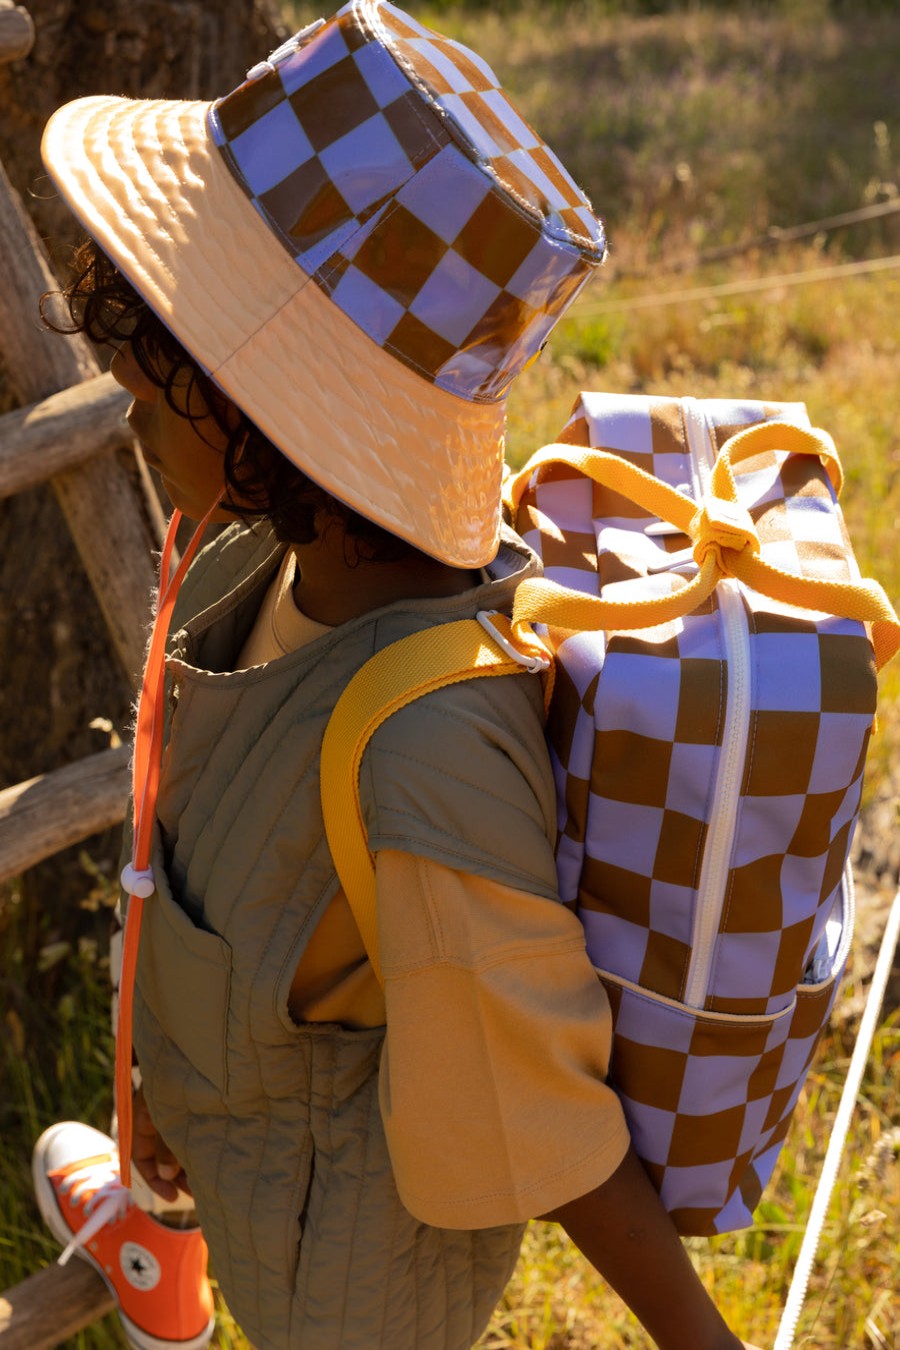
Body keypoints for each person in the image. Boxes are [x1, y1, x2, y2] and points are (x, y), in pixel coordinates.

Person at [31, 4, 763, 1348]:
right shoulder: (259, 551)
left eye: (157, 354)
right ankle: (164, 1217)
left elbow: (531, 1104)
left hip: (343, 1279)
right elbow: (223, 861)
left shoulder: (426, 750)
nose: (125, 389)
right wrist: (174, 1080)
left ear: (264, 406)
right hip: (242, 1128)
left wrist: (701, 1340)